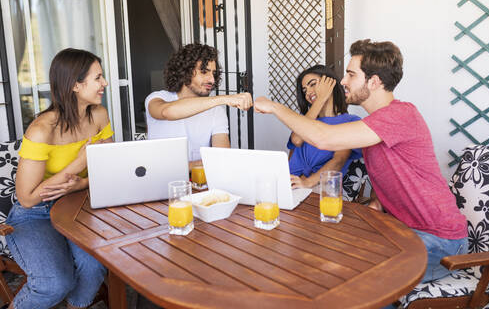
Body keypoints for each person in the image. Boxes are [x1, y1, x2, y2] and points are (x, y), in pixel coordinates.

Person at [254, 39, 468, 284]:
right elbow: (396, 172)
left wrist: (273, 107)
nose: (343, 81)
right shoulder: (373, 124)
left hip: (440, 242)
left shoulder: (400, 114)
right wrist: (378, 203)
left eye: (351, 74)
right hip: (405, 232)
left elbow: (324, 138)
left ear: (374, 81)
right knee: (321, 259)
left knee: (356, 279)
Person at [7, 48, 112, 309]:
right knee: (55, 282)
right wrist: (78, 163)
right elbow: (27, 198)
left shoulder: (98, 115)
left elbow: (111, 168)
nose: (105, 83)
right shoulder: (43, 129)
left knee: (94, 267)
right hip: (35, 215)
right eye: (98, 77)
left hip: (78, 205)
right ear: (76, 85)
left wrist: (83, 183)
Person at [145, 43, 252, 166]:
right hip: (159, 180)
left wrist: (176, 166)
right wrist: (224, 99)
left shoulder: (217, 111)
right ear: (185, 71)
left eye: (213, 73)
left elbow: (221, 157)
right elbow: (167, 112)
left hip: (199, 181)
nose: (212, 80)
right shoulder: (158, 98)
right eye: (204, 72)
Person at [288, 65, 361, 189]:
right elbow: (297, 140)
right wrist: (320, 99)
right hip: (290, 183)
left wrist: (307, 183)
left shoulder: (350, 122)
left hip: (321, 186)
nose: (308, 93)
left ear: (330, 84)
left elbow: (339, 160)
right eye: (305, 90)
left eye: (312, 84)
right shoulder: (305, 119)